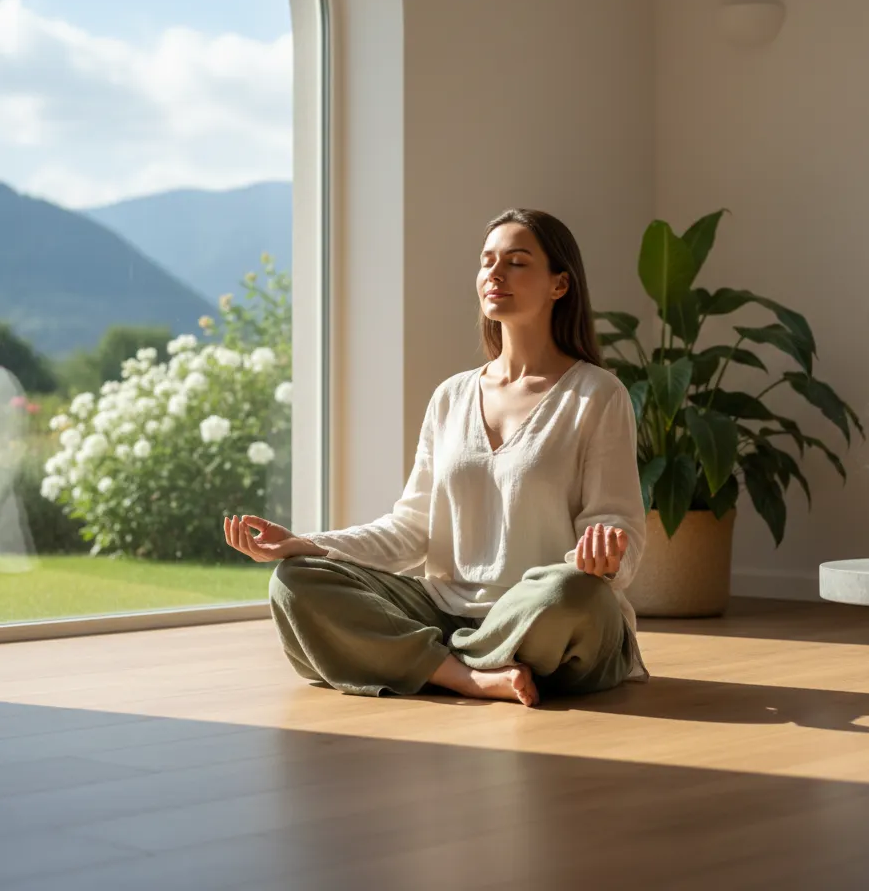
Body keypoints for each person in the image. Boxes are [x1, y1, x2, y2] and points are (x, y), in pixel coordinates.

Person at [223, 208, 648, 707]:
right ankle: (468, 676)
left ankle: (431, 660)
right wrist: (307, 545)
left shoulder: (598, 394)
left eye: (516, 262)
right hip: (448, 611)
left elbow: (618, 525)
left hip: (543, 614)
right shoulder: (451, 397)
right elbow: (410, 530)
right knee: (295, 581)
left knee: (574, 594)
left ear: (559, 284)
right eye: (487, 260)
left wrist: (607, 558)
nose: (495, 272)